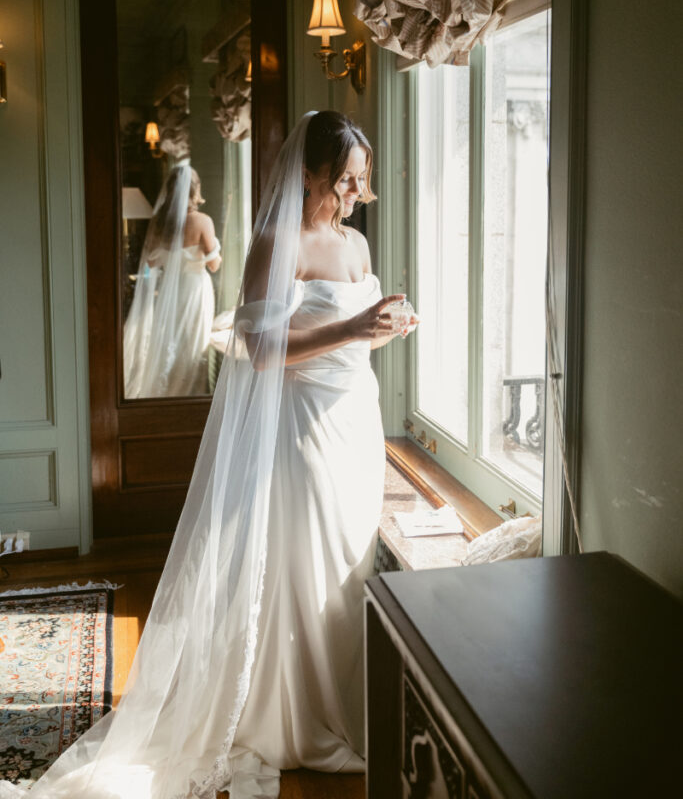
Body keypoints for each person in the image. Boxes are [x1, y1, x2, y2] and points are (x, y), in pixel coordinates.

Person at [0, 111, 417, 799]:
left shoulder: (355, 247)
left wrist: (384, 327)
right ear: (308, 172)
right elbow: (255, 350)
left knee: (343, 572)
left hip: (355, 425)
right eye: (343, 179)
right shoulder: (275, 243)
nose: (351, 194)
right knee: (302, 566)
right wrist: (350, 324)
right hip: (302, 430)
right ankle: (286, 716)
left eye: (359, 182)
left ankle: (340, 706)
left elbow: (356, 341)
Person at [124, 163, 222, 398]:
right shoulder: (202, 221)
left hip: (171, 292)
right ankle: (190, 397)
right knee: (192, 346)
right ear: (195, 189)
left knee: (170, 340)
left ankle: (167, 394)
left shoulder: (159, 222)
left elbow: (150, 263)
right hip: (195, 290)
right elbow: (214, 265)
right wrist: (218, 250)